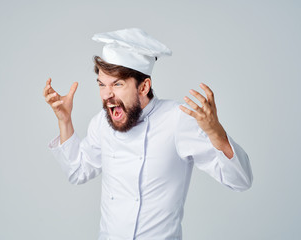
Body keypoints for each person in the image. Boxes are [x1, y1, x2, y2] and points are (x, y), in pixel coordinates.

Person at [44, 28, 253, 240]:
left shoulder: (177, 120)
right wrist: (64, 120)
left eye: (117, 84)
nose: (107, 95)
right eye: (102, 85)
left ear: (144, 87)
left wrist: (215, 132)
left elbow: (240, 181)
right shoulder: (101, 123)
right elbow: (77, 171)